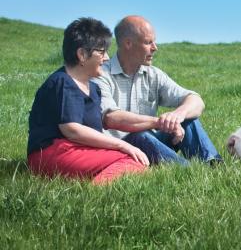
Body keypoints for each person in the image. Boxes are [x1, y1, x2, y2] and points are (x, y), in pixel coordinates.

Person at [27, 18, 149, 185]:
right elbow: (72, 130)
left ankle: (97, 182)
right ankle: (95, 191)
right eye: (102, 51)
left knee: (135, 162)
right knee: (131, 162)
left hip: (76, 149)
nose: (107, 58)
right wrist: (122, 145)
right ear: (82, 55)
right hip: (51, 152)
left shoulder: (93, 88)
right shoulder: (63, 82)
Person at [93, 15, 222, 166]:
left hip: (152, 144)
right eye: (148, 42)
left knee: (188, 120)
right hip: (120, 151)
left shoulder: (154, 75)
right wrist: (160, 123)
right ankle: (186, 171)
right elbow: (111, 118)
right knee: (140, 135)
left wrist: (176, 116)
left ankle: (214, 165)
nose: (155, 47)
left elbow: (196, 100)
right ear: (128, 43)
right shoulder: (100, 75)